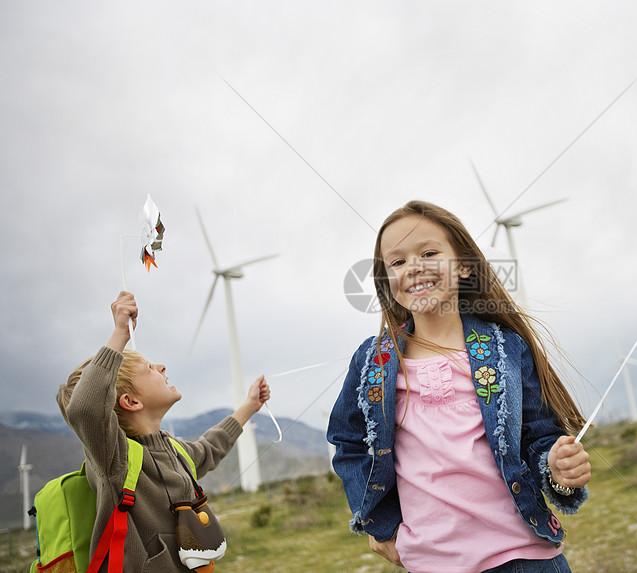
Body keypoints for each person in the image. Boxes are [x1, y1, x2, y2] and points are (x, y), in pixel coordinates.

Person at [327, 200, 592, 572]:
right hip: (432, 563)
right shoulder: (374, 362)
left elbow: (537, 436)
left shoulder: (504, 348)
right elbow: (349, 443)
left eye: (429, 252)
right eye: (398, 262)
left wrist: (558, 469)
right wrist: (380, 525)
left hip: (524, 556)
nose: (414, 267)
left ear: (464, 264)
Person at [58, 291, 270, 572]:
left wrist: (249, 407)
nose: (162, 366)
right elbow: (86, 409)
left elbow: (210, 448)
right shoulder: (114, 458)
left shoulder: (173, 449)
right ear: (131, 402)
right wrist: (120, 335)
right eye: (149, 368)